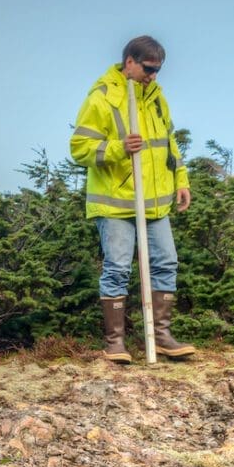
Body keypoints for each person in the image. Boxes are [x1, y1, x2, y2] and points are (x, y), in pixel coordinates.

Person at [68, 34, 197, 363]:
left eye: (158, 70)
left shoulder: (156, 97)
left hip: (155, 201)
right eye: (148, 68)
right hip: (114, 203)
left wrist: (181, 180)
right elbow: (79, 149)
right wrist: (118, 148)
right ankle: (115, 344)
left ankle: (162, 337)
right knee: (117, 269)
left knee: (166, 261)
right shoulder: (101, 97)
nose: (153, 75)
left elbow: (169, 144)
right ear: (129, 62)